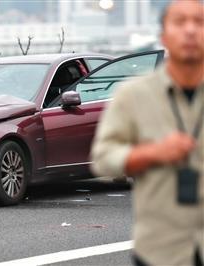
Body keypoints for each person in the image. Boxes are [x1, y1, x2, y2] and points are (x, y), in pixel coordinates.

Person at [91, 0, 204, 265]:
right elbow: (103, 160)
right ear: (163, 36)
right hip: (159, 249)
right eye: (179, 22)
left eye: (199, 22)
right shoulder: (133, 95)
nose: (190, 30)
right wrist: (153, 153)